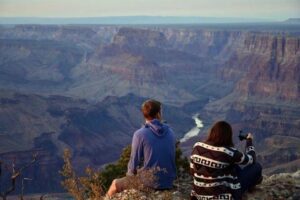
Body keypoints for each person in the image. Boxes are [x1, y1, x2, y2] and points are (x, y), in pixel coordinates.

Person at [106, 99, 177, 198]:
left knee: (115, 184)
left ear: (144, 114)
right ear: (158, 114)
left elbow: (133, 163)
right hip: (168, 181)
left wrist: (131, 179)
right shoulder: (170, 132)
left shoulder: (140, 134)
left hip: (149, 183)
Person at [190, 121, 262, 200]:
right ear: (228, 136)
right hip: (222, 197)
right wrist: (249, 141)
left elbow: (192, 171)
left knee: (233, 165)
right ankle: (251, 184)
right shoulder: (228, 152)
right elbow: (251, 159)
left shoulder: (197, 146)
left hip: (198, 196)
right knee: (257, 167)